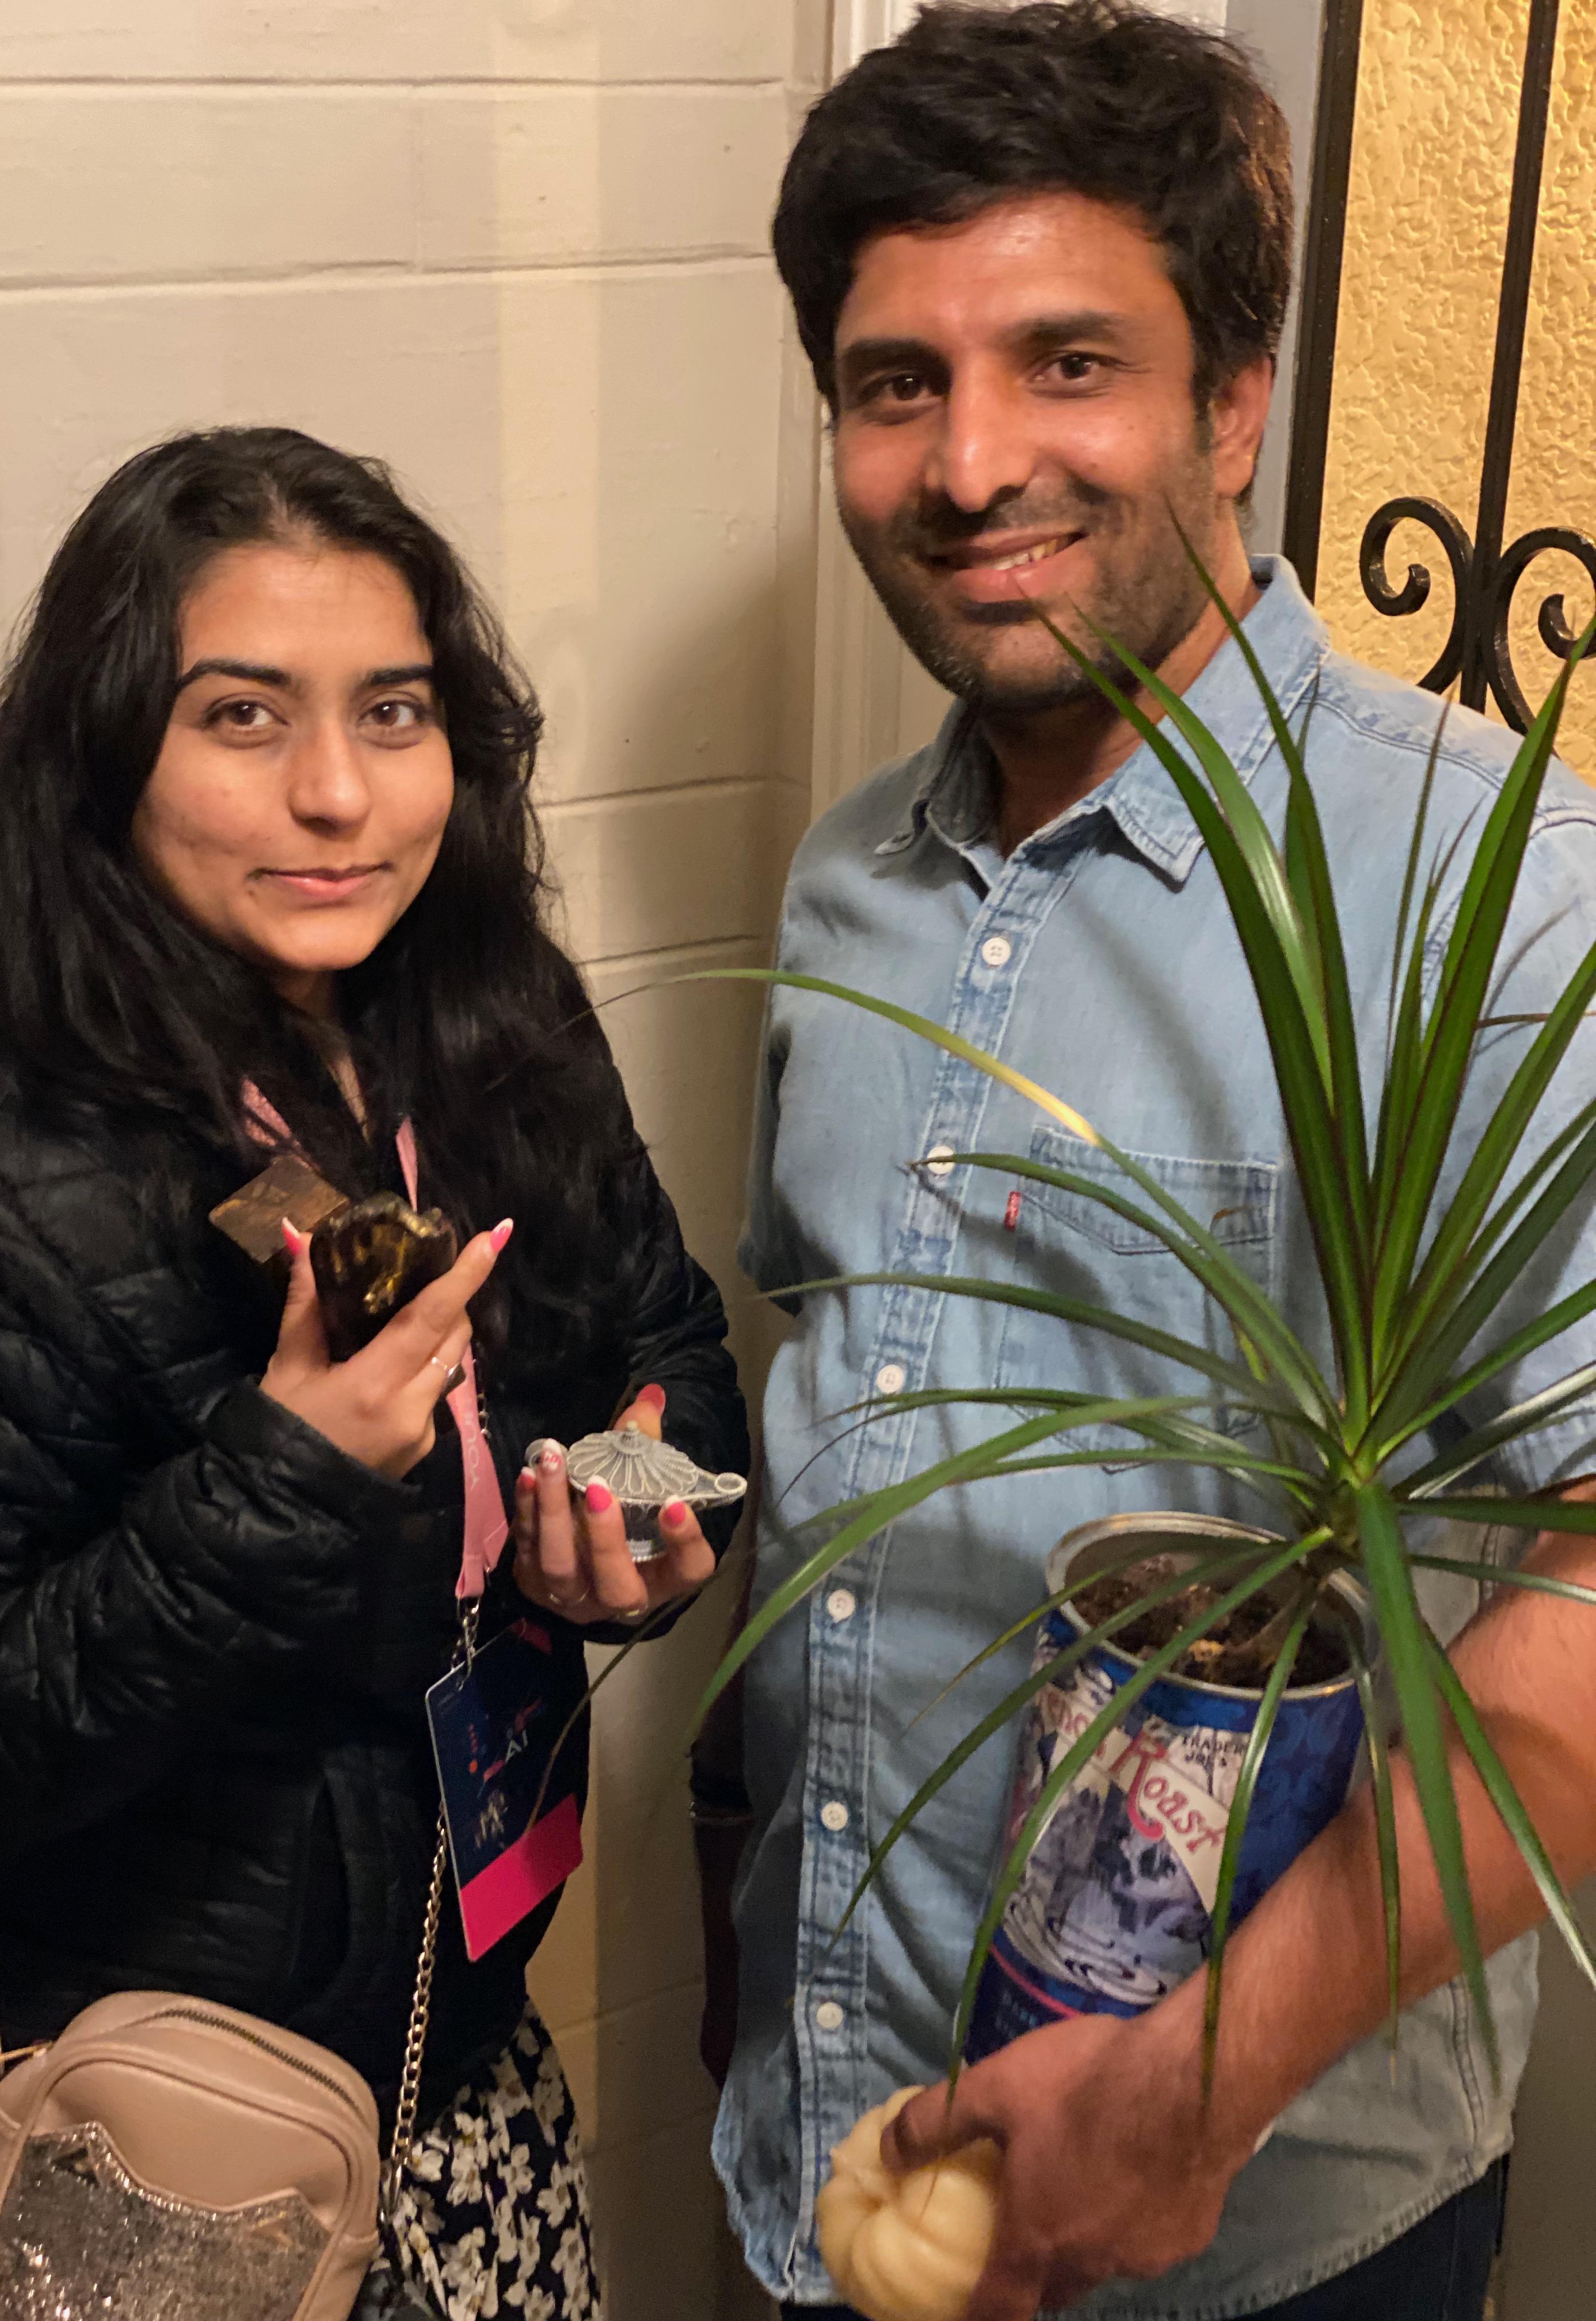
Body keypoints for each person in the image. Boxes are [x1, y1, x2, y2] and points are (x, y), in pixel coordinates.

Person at [705, 6, 1596, 2318]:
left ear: (1233, 403)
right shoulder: (846, 892)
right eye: (896, 380)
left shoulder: (1490, 899)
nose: (970, 457)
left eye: (1066, 358)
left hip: (1262, 2243)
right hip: (837, 2166)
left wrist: (1204, 2078)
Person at [0, 425, 749, 2319]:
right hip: (128, 2146)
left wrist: (642, 1492)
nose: (340, 794)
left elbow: (658, 1332)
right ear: (108, 754)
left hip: (447, 2061)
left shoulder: (493, 1026)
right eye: (244, 718)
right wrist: (279, 1472)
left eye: (395, 712)